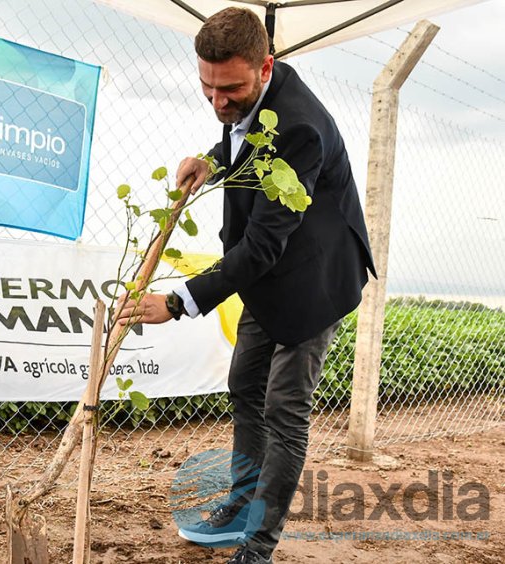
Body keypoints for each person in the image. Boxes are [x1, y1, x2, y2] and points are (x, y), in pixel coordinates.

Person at [113, 7, 376, 564]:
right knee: (244, 385)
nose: (217, 103)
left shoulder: (299, 124)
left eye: (229, 89)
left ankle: (259, 544)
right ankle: (239, 503)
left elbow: (261, 246)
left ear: (265, 67)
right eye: (207, 89)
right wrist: (210, 161)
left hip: (312, 281)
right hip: (266, 272)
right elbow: (241, 145)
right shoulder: (241, 95)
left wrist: (180, 301)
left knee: (284, 408)